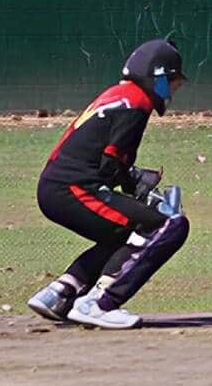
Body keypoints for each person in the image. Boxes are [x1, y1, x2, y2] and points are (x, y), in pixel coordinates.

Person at [29, 39, 192, 330]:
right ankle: (100, 304)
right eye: (173, 83)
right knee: (169, 225)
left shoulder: (118, 94)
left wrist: (133, 182)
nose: (173, 92)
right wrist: (135, 183)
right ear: (158, 78)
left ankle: (60, 293)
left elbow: (107, 162)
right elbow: (111, 164)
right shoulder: (136, 103)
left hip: (57, 187)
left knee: (126, 233)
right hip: (74, 189)